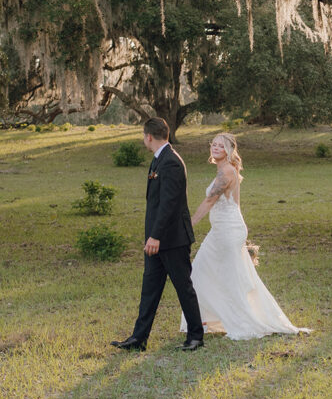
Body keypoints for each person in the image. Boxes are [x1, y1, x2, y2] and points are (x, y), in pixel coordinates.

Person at [182, 132, 309, 340]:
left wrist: (188, 224)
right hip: (223, 229)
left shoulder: (227, 173)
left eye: (220, 146)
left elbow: (209, 201)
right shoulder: (223, 169)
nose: (215, 148)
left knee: (228, 278)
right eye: (213, 144)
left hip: (228, 231)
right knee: (200, 271)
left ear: (229, 150)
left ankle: (242, 324)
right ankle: (204, 320)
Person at [112, 117, 205, 353]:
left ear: (148, 136)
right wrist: (151, 236)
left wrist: (156, 236)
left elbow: (169, 204)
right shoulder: (158, 160)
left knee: (183, 287)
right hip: (156, 240)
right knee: (150, 288)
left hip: (172, 239)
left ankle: (196, 336)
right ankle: (138, 338)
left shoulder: (171, 162)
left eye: (143, 136)